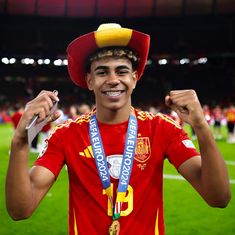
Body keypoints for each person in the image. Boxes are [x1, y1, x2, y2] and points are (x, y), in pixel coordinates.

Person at [6, 23, 231, 235]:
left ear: (134, 79)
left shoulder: (162, 128)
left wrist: (201, 127)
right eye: (102, 72)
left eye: (121, 71)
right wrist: (19, 143)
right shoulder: (66, 134)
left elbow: (218, 197)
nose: (113, 80)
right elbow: (20, 210)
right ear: (89, 80)